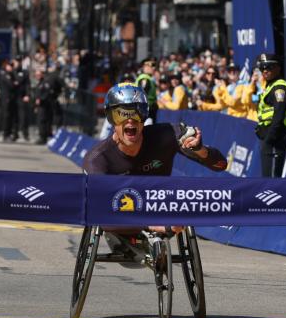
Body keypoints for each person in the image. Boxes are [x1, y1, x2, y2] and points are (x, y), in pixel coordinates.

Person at [82, 82, 228, 257]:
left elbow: (220, 165)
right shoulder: (97, 159)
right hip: (123, 214)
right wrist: (151, 225)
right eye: (122, 114)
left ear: (145, 116)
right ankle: (137, 240)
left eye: (137, 112)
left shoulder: (167, 134)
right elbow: (98, 213)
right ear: (111, 119)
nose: (130, 120)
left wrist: (200, 150)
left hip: (159, 206)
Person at [253, 53, 286, 178]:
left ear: (278, 68)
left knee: (272, 183)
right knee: (268, 179)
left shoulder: (279, 87)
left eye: (269, 67)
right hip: (269, 140)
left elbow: (279, 116)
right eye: (262, 68)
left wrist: (270, 139)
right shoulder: (270, 86)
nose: (265, 70)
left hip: (275, 140)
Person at [135, 57, 160, 123]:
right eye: (152, 65)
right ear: (144, 66)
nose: (154, 68)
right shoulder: (144, 79)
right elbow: (141, 94)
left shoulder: (149, 78)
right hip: (146, 112)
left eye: (155, 65)